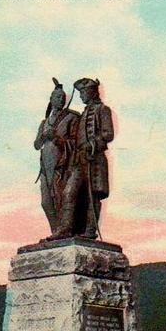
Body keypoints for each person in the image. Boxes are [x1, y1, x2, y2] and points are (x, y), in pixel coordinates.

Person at [51, 77, 114, 239]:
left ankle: (90, 231)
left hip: (94, 161)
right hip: (79, 161)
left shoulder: (103, 110)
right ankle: (65, 229)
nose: (80, 97)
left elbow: (108, 134)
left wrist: (92, 144)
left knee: (92, 196)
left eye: (83, 93)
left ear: (91, 92)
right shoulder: (83, 113)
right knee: (69, 192)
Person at [34, 78, 80, 236]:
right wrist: (44, 136)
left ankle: (63, 232)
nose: (61, 100)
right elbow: (36, 145)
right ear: (51, 99)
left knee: (60, 198)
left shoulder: (71, 118)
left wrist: (57, 138)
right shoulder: (44, 122)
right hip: (45, 167)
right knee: (46, 202)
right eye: (58, 97)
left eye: (63, 98)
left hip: (62, 164)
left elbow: (75, 142)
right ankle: (55, 232)